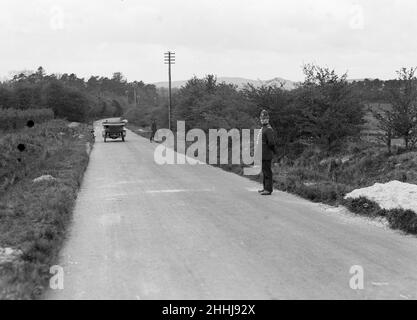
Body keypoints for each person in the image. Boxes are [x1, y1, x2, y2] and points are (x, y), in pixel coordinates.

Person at [257, 110, 276, 196]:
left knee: (267, 171)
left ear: (268, 119)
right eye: (261, 118)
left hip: (267, 154)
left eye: (264, 118)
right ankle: (265, 188)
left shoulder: (268, 129)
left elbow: (271, 143)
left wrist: (272, 151)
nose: (263, 120)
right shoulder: (263, 128)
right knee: (264, 171)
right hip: (262, 154)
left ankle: (268, 189)